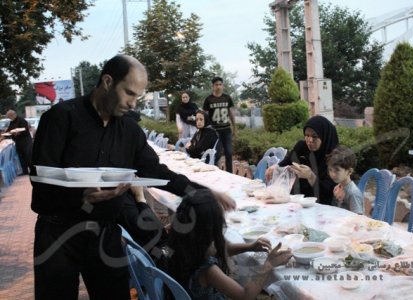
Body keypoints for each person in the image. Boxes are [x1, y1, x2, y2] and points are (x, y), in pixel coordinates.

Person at [31, 54, 235, 300]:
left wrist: (203, 192)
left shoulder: (129, 130)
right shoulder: (60, 117)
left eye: (137, 96)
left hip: (104, 232)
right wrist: (79, 196)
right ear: (107, 81)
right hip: (57, 234)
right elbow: (40, 181)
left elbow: (158, 173)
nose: (133, 104)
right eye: (129, 93)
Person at [167, 189, 292, 300]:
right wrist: (269, 264)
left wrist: (249, 247)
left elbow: (215, 250)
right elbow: (245, 295)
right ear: (209, 229)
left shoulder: (180, 243)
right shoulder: (208, 270)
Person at [265, 115, 339, 205]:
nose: (310, 140)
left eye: (315, 136)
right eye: (307, 135)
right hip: (297, 199)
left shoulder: (335, 158)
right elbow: (288, 160)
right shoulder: (302, 147)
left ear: (324, 136)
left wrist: (311, 176)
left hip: (319, 204)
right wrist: (275, 167)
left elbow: (327, 192)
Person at [203, 77, 236, 173]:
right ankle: (216, 172)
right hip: (214, 131)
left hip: (226, 130)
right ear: (213, 86)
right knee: (216, 154)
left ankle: (230, 173)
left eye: (220, 84)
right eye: (216, 84)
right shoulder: (208, 99)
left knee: (229, 153)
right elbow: (204, 115)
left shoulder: (227, 98)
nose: (218, 86)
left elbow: (231, 113)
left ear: (223, 86)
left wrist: (234, 128)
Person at [327, 146, 364, 214]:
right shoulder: (337, 188)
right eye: (330, 170)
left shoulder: (353, 193)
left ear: (349, 171)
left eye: (337, 170)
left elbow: (358, 218)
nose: (332, 174)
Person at [5, 110, 33, 174]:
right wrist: (5, 135)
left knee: (28, 156)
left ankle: (32, 170)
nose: (9, 118)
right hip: (18, 142)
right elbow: (9, 130)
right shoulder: (12, 122)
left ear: (13, 115)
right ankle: (24, 171)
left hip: (26, 141)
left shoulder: (22, 120)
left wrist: (18, 133)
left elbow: (25, 130)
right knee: (21, 157)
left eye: (9, 116)